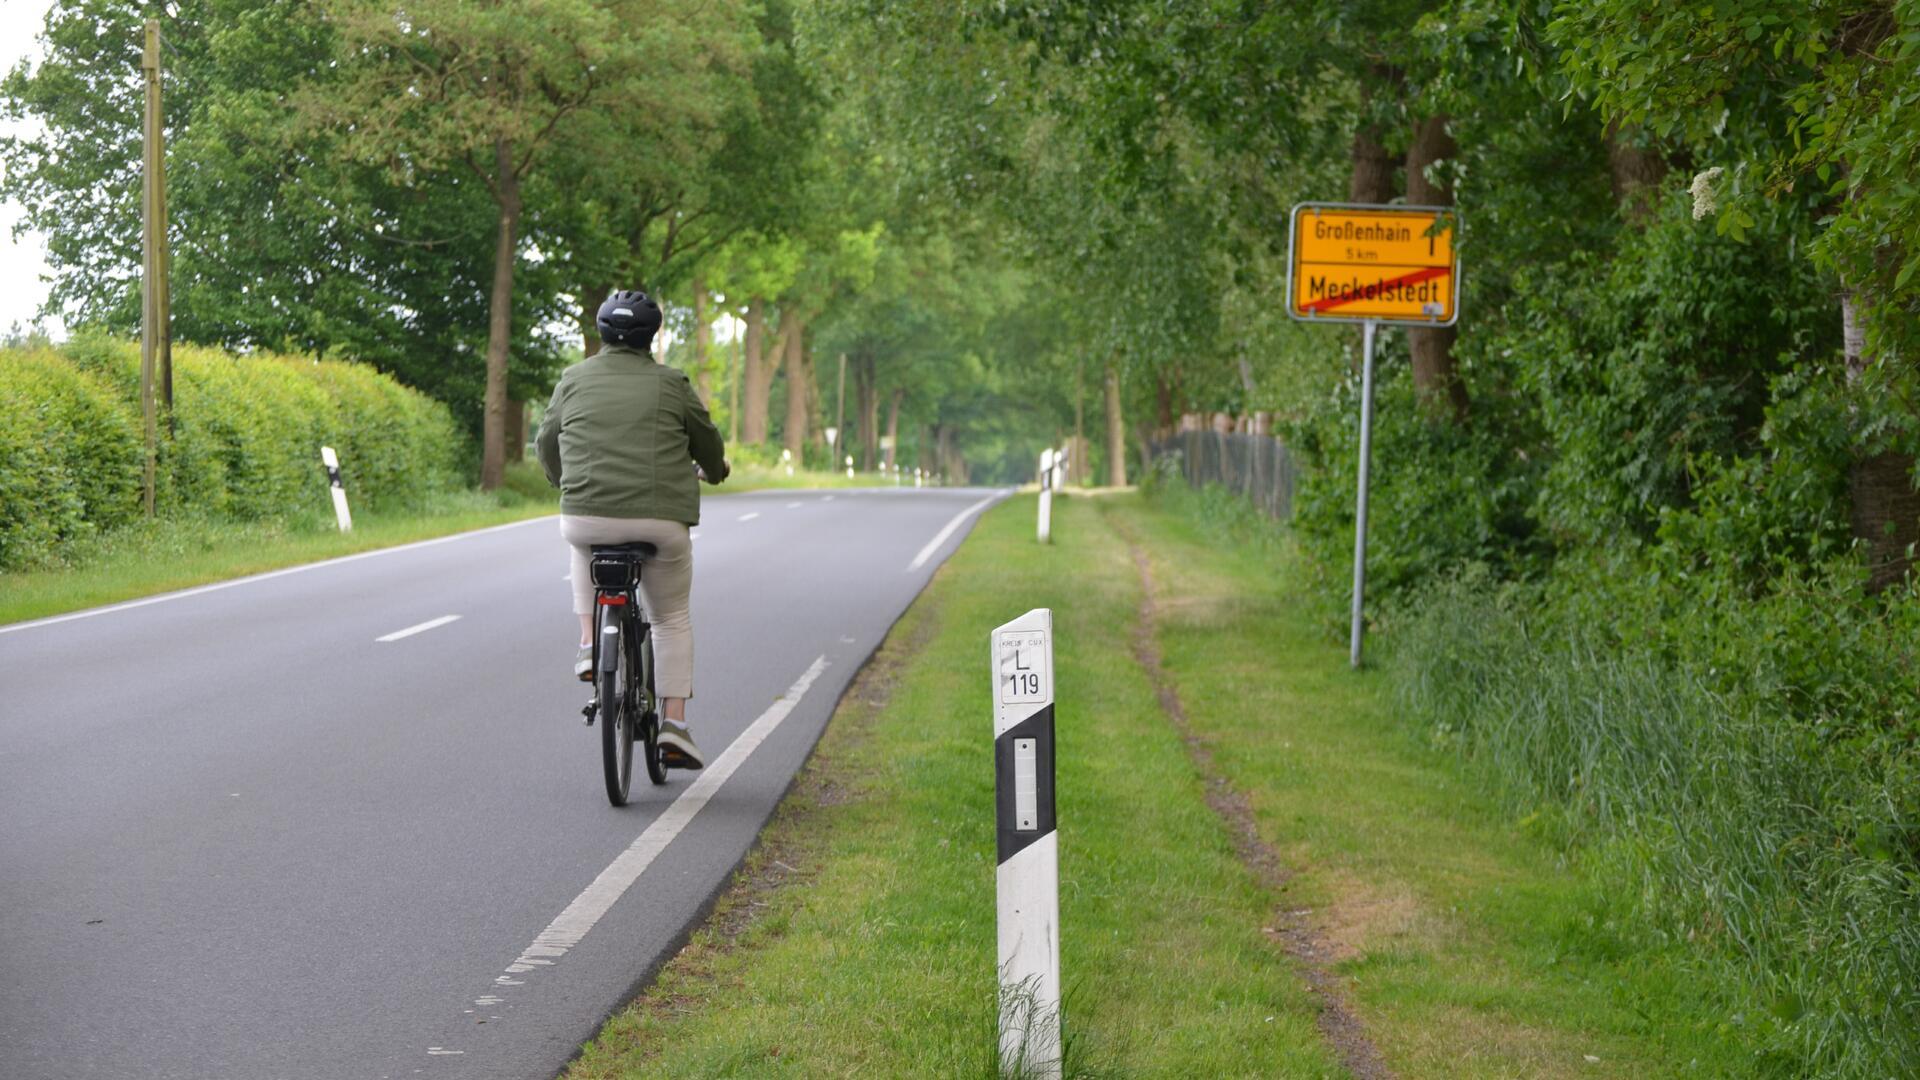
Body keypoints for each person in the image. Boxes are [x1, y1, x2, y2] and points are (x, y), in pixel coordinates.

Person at [535, 289, 728, 769]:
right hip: (660, 521)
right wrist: (715, 469)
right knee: (670, 618)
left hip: (583, 514)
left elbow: (547, 440)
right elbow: (706, 440)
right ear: (651, 337)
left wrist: (565, 483)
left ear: (602, 332)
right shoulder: (671, 382)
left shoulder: (573, 379)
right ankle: (674, 725)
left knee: (584, 544)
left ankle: (587, 644)